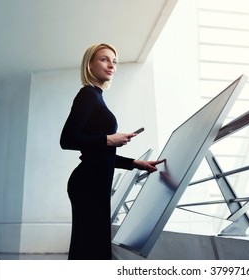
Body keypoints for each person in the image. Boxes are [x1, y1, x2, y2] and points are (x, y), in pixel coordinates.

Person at [60, 43, 164, 260]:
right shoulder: (87, 94)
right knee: (90, 247)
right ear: (89, 64)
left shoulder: (97, 97)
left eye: (114, 62)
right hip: (88, 183)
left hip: (95, 181)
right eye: (104, 59)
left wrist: (136, 163)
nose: (111, 65)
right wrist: (109, 139)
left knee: (91, 247)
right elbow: (67, 139)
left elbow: (99, 154)